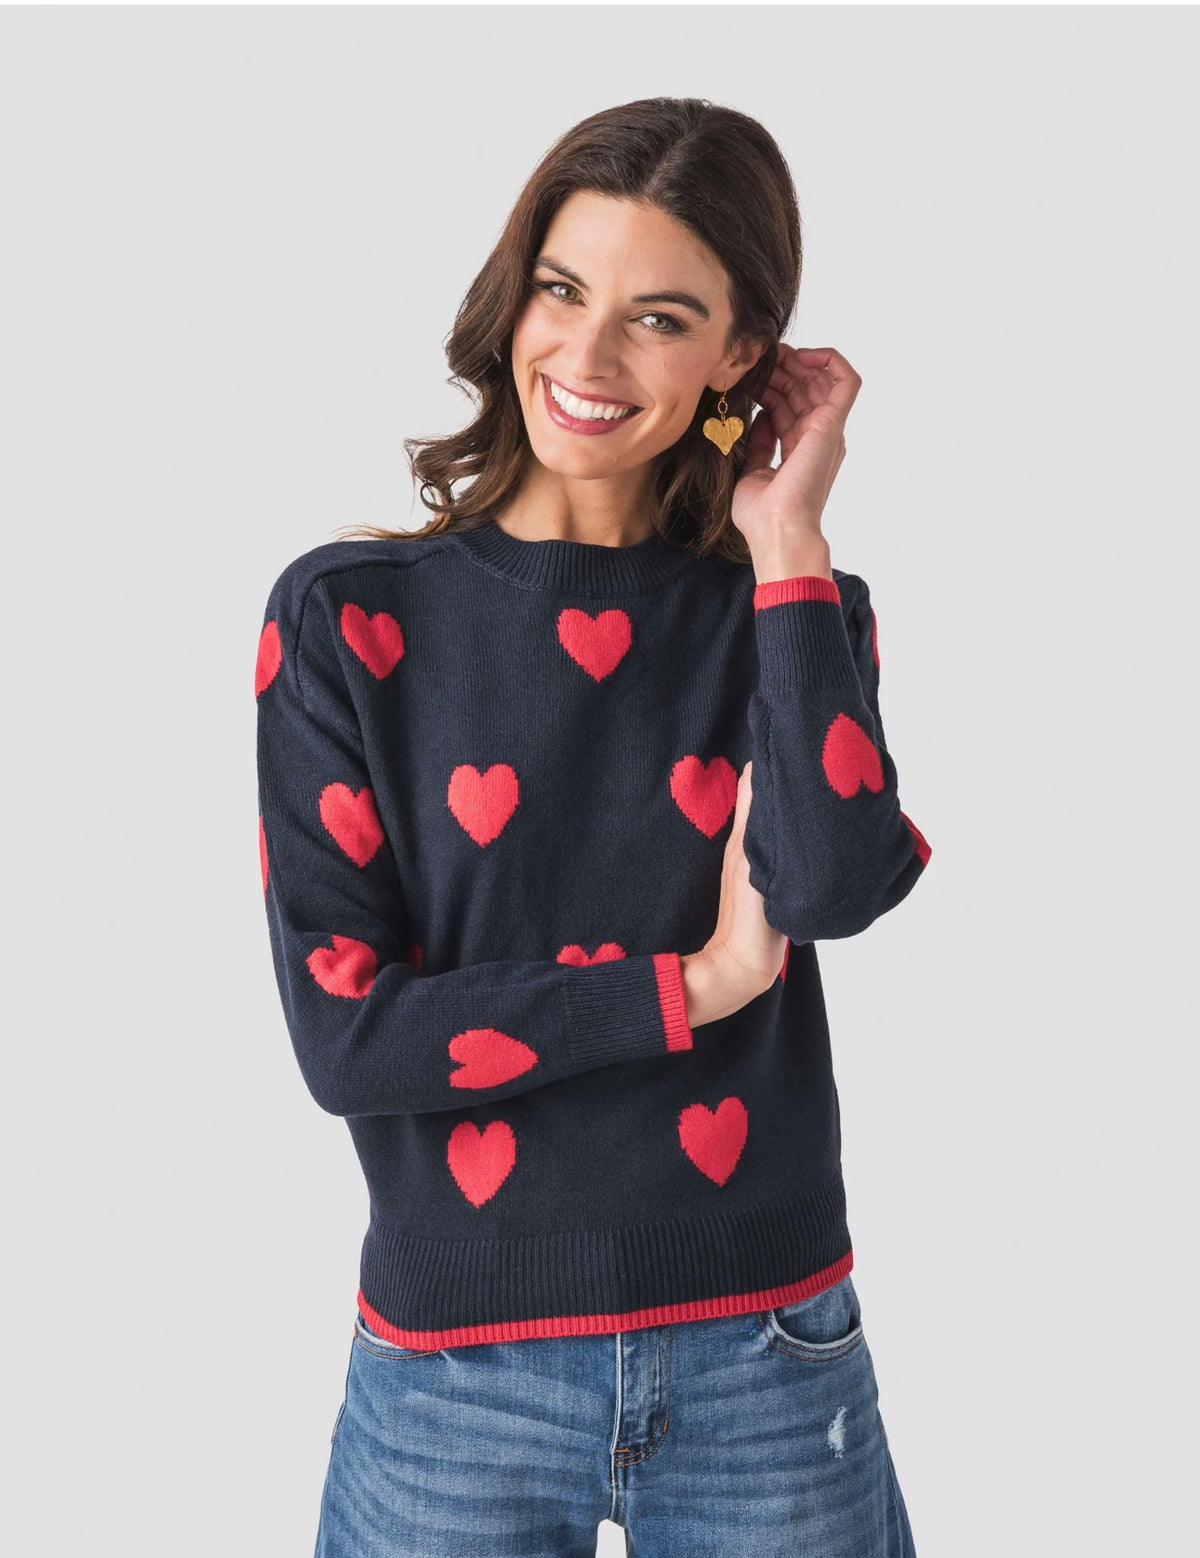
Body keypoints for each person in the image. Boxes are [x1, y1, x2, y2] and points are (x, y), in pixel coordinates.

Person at [254, 96, 931, 1558]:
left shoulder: (791, 613)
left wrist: (788, 542)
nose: (588, 357)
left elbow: (830, 883)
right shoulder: (348, 623)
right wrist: (693, 986)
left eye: (660, 318)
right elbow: (348, 1042)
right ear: (514, 295)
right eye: (563, 291)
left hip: (768, 1353)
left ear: (741, 355)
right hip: (453, 1377)